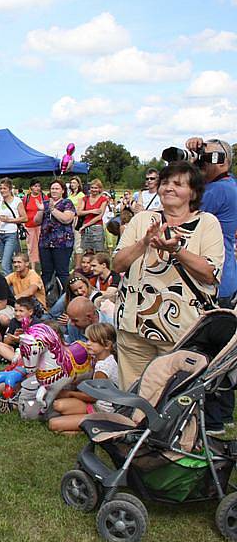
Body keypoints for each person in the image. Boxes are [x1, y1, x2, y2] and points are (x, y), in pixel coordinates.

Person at [112, 161, 224, 389]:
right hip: (133, 327)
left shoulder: (207, 223)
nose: (168, 188)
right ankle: (135, 426)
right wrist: (143, 243)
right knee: (132, 395)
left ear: (193, 192)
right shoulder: (142, 219)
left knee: (175, 398)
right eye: (165, 183)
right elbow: (117, 264)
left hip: (181, 331)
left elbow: (210, 274)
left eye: (178, 184)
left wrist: (176, 250)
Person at [186, 137, 237, 433]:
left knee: (209, 349)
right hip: (228, 275)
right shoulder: (230, 186)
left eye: (204, 160)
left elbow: (184, 207)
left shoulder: (216, 190)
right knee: (225, 348)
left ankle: (213, 418)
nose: (201, 164)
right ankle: (224, 413)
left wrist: (188, 166)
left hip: (213, 279)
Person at [48, 323, 118, 434]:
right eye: (87, 340)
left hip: (103, 411)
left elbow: (94, 397)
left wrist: (70, 393)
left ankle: (94, 428)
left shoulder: (103, 368)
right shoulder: (103, 359)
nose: (88, 344)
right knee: (58, 405)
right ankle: (84, 423)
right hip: (95, 405)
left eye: (93, 341)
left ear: (107, 345)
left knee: (53, 424)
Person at [34, 179, 76, 294]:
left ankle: (65, 297)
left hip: (62, 243)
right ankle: (45, 297)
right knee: (46, 272)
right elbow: (36, 221)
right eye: (52, 188)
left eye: (57, 188)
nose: (54, 191)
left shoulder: (67, 203)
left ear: (62, 190)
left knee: (62, 272)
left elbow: (66, 219)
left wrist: (52, 209)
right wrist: (40, 210)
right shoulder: (46, 203)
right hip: (45, 243)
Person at [0, 177, 26, 276]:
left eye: (4, 188)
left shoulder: (17, 201)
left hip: (11, 234)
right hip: (0, 234)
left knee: (5, 264)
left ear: (10, 189)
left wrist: (9, 220)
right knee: (5, 262)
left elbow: (24, 218)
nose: (2, 191)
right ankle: (11, 284)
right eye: (0, 188)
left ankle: (7, 289)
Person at [77, 178, 108, 255]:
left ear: (99, 189)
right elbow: (79, 212)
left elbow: (99, 216)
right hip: (85, 228)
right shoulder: (85, 198)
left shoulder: (103, 199)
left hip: (96, 227)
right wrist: (92, 211)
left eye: (96, 188)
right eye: (92, 187)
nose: (94, 190)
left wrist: (85, 225)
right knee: (87, 252)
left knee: (98, 252)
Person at [22, 179, 45, 270]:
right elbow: (23, 211)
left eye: (39, 186)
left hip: (41, 226)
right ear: (31, 187)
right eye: (35, 186)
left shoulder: (43, 197)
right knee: (31, 247)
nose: (37, 188)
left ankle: (43, 266)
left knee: (42, 246)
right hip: (29, 225)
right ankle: (33, 268)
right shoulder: (26, 198)